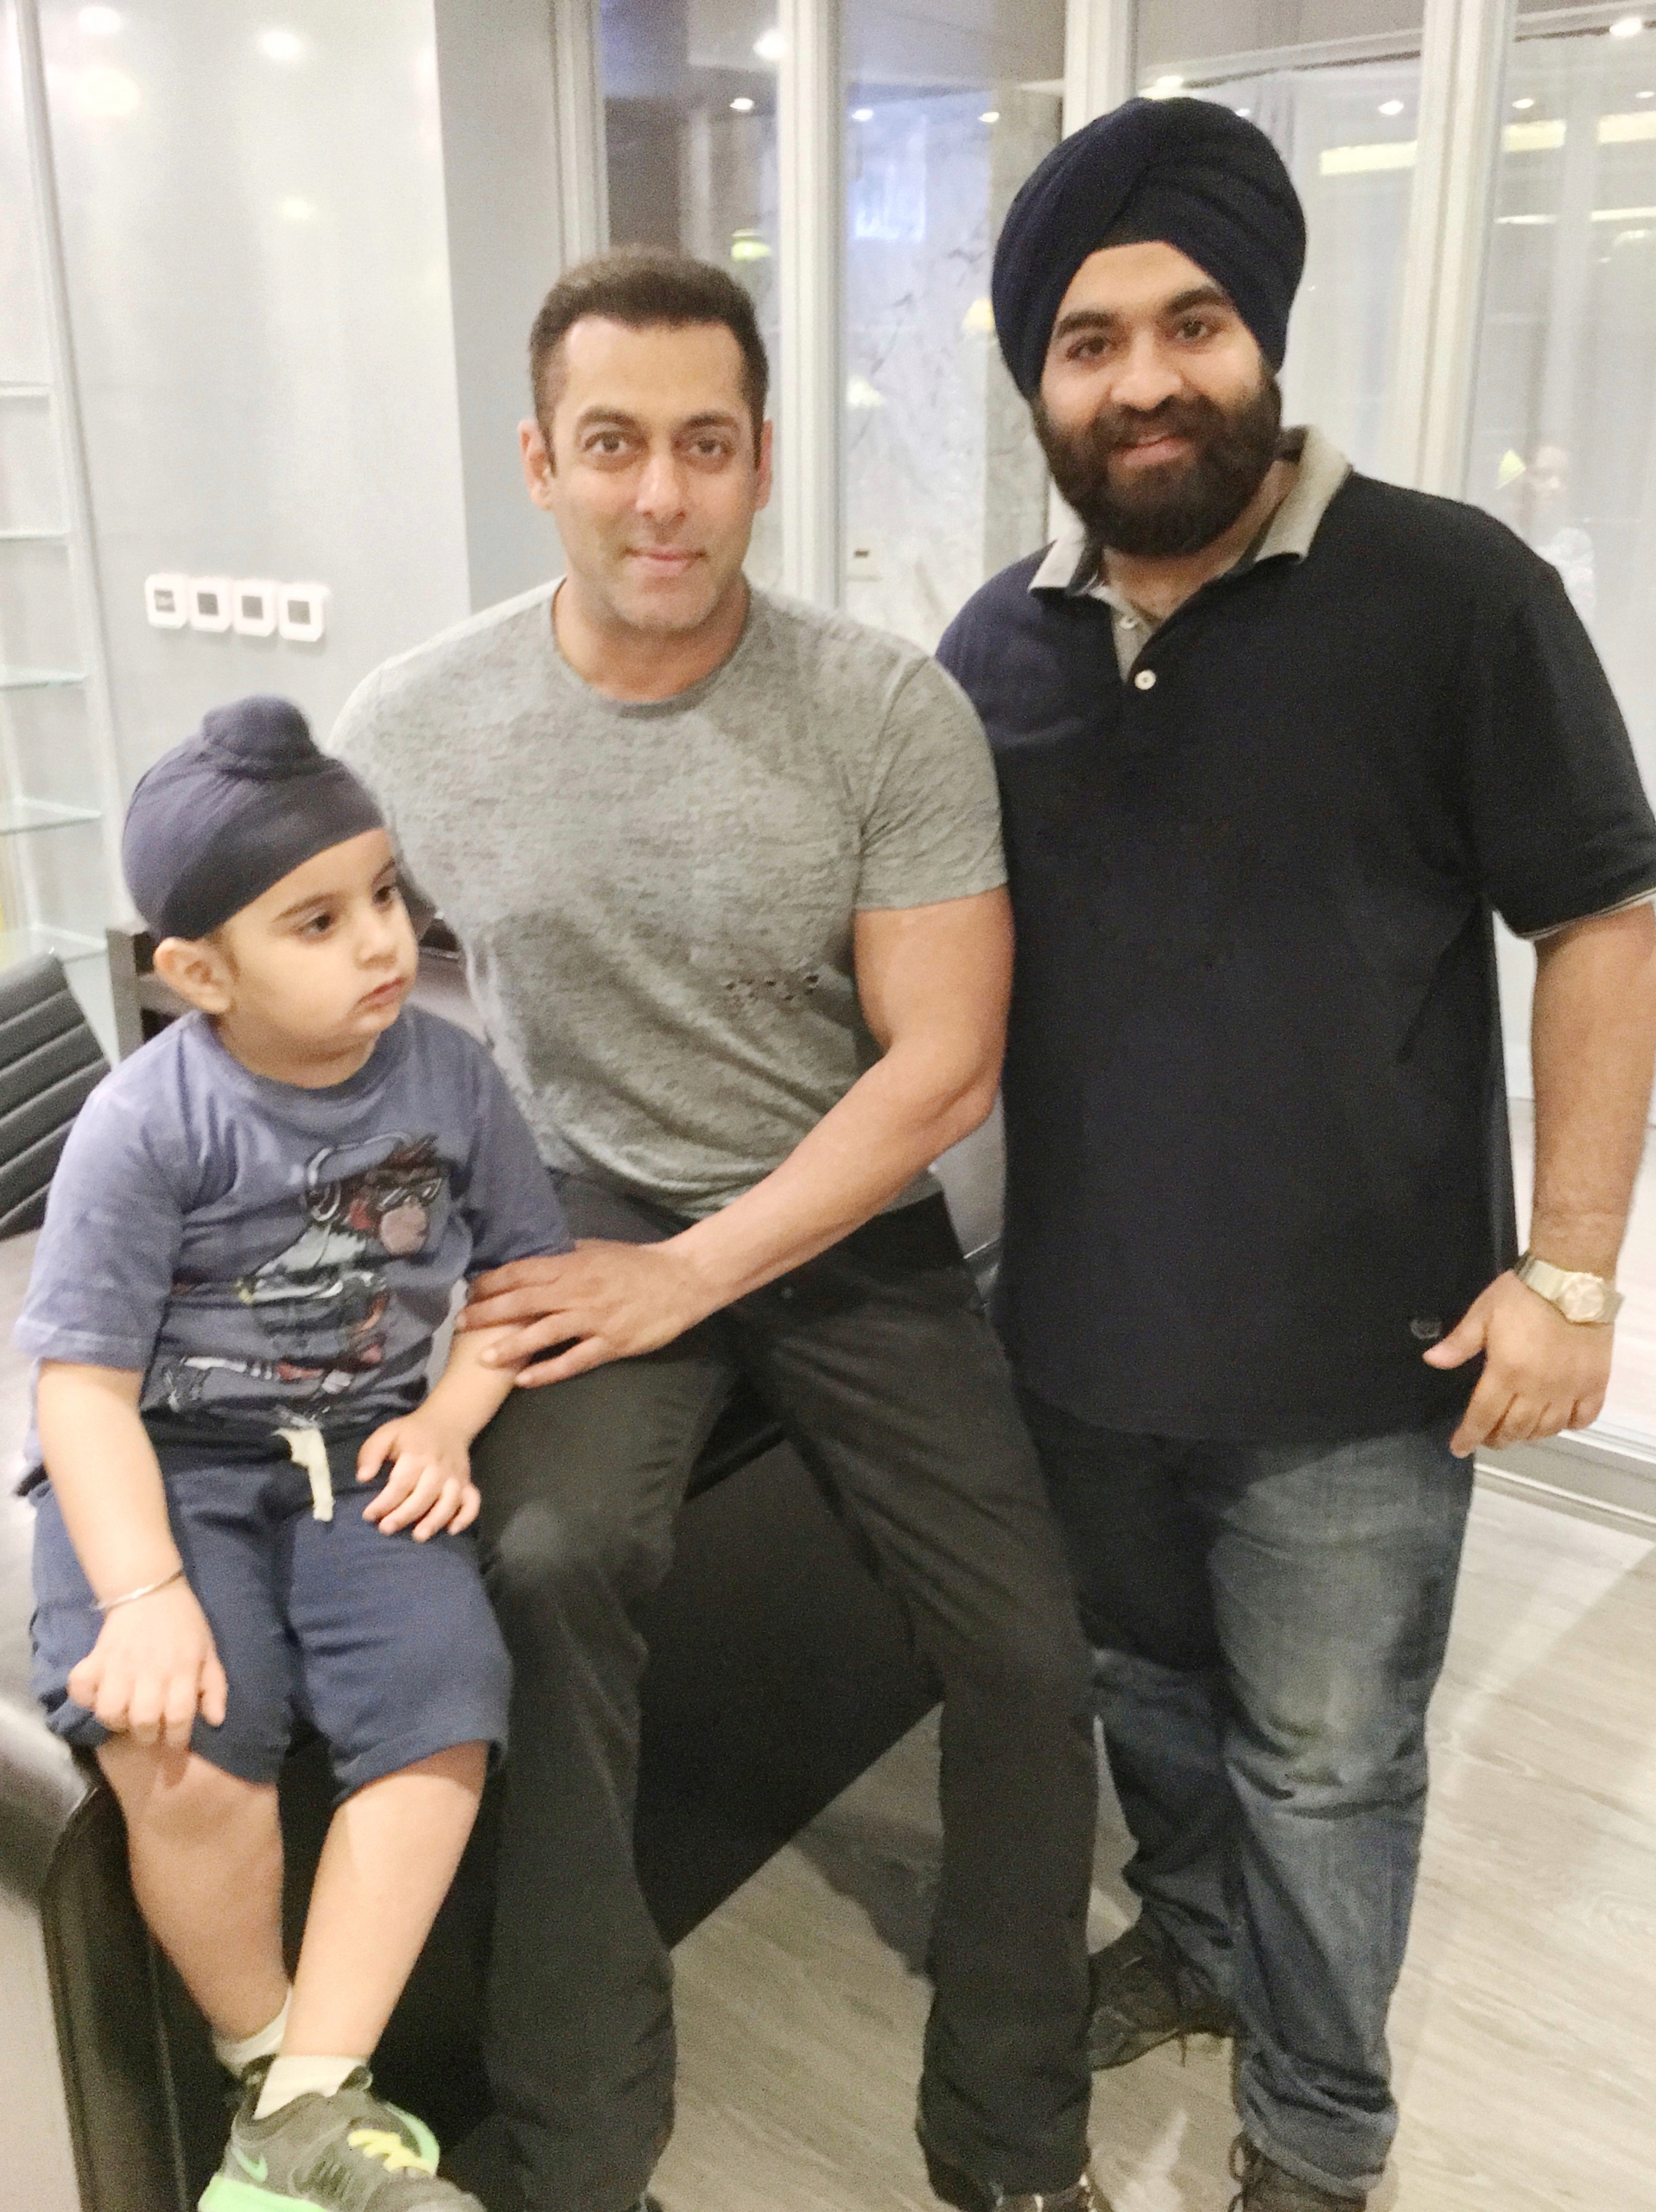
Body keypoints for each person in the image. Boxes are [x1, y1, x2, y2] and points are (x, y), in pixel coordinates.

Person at [936, 97, 1656, 2212]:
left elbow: (1600, 918)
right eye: (1086, 342)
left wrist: (1572, 1267)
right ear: (1037, 384)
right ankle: (1192, 1940)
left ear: (1259, 335)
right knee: (1143, 1695)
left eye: (1190, 323)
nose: (1143, 378)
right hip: (1080, 1341)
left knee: (1329, 1764)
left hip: (1363, 1352)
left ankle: (1317, 2135)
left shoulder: (1451, 591)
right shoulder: (991, 649)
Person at [331, 248, 1102, 2212]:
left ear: (760, 460)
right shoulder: (413, 720)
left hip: (841, 1197)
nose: (658, 495)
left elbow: (939, 1065)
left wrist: (696, 1267)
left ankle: (1009, 2146)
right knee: (545, 1559)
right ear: (539, 463)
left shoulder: (882, 711)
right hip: (584, 1193)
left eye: (702, 445)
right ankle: (579, 2150)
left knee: (1025, 1653)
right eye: (611, 445)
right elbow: (320, 1003)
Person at [22, 698, 575, 2212]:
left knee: (445, 1705)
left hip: (359, 1452)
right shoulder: (146, 1125)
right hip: (165, 1462)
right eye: (318, 921)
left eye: (384, 894)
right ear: (201, 972)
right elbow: (80, 1389)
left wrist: (448, 1417)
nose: (383, 940)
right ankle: (273, 2072)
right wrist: (143, 1594)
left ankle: (295, 2119)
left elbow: (519, 1285)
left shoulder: (452, 1080)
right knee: (185, 1737)